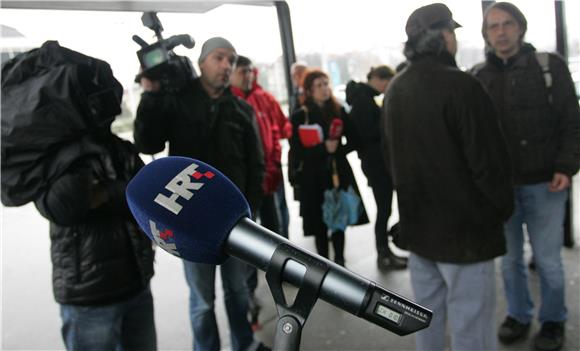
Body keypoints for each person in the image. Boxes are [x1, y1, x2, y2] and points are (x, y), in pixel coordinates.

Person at [383, 4, 514, 351]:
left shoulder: (395, 89)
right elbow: (489, 163)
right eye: (452, 32)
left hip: (419, 232)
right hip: (466, 236)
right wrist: (498, 211)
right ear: (442, 37)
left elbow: (391, 160)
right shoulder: (461, 87)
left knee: (427, 320)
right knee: (471, 325)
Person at [134, 37, 265, 351]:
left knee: (237, 292)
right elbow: (147, 143)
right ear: (202, 62)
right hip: (189, 220)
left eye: (231, 60)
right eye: (219, 58)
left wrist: (253, 212)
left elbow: (255, 163)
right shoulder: (176, 100)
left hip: (236, 222)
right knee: (202, 300)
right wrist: (152, 95)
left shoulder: (240, 108)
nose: (226, 66)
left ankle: (243, 344)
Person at [471, 3, 580, 350]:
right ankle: (518, 314)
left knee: (547, 260)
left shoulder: (549, 67)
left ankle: (552, 321)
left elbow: (571, 121)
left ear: (520, 28)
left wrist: (566, 166)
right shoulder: (478, 76)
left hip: (547, 182)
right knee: (509, 260)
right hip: (501, 189)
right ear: (486, 34)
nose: (500, 32)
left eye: (507, 24)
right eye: (493, 26)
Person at [230, 55, 291, 328]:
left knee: (276, 233)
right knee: (248, 247)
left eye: (250, 71)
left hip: (270, 179)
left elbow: (281, 130)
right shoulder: (229, 103)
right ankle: (250, 295)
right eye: (242, 71)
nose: (248, 76)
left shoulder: (264, 99)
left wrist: (275, 159)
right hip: (244, 189)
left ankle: (282, 274)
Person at [289, 69, 368, 266]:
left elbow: (357, 139)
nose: (324, 89)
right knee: (319, 223)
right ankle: (323, 265)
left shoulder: (338, 110)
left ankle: (340, 261)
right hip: (313, 176)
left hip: (336, 173)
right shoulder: (300, 116)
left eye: (326, 84)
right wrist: (322, 148)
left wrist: (337, 149)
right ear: (308, 90)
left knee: (338, 218)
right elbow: (296, 151)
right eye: (319, 85)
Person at [345, 65, 407, 271]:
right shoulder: (364, 101)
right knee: (384, 209)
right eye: (387, 82)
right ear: (379, 79)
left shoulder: (364, 98)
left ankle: (386, 252)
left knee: (385, 208)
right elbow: (369, 133)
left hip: (375, 162)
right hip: (376, 163)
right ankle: (383, 254)